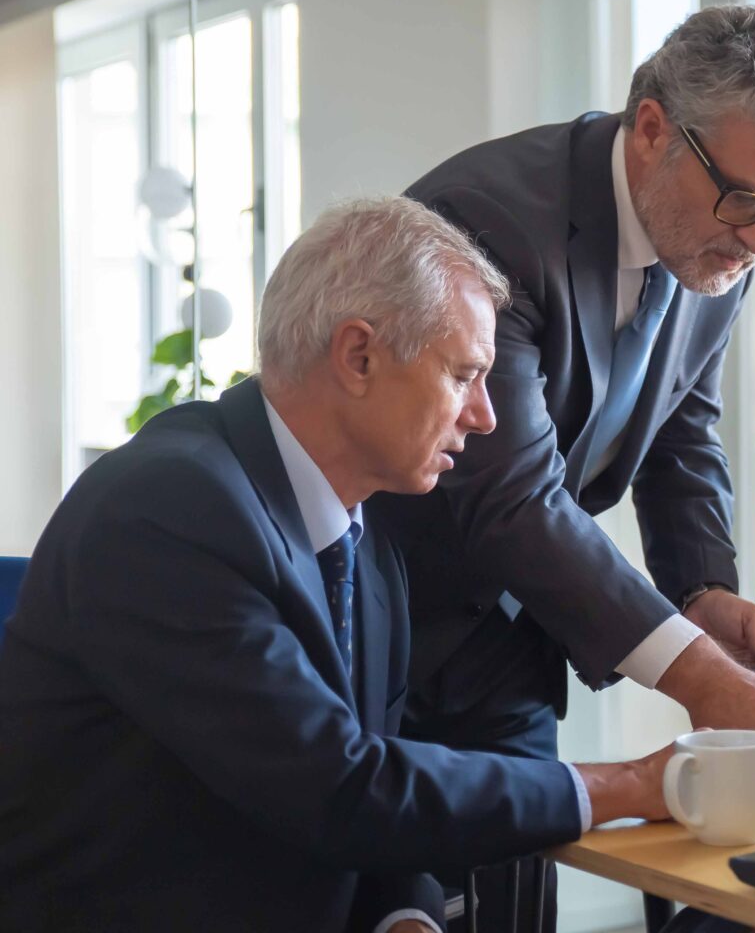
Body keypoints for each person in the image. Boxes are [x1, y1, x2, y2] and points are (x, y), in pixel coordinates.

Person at [0, 198, 675, 933]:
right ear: (359, 357)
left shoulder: (368, 541)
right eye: (464, 375)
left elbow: (374, 791)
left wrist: (407, 918)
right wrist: (629, 785)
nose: (485, 415)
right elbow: (339, 787)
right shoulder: (167, 507)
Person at [373, 5, 755, 793]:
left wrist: (703, 590)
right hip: (380, 621)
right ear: (654, 130)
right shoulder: (488, 222)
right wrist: (695, 671)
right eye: (746, 201)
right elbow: (511, 495)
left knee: (524, 852)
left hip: (516, 633)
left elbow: (681, 429)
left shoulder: (722, 239)